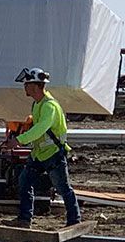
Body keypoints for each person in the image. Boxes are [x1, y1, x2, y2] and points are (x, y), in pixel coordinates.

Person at [10, 69, 81, 227]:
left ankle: (74, 220)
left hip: (53, 155)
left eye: (26, 85)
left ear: (35, 86)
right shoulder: (37, 104)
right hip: (39, 154)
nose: (25, 88)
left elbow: (41, 128)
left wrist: (20, 140)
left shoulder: (49, 106)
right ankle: (24, 219)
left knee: (63, 188)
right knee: (24, 182)